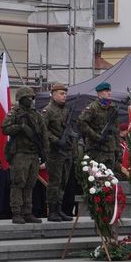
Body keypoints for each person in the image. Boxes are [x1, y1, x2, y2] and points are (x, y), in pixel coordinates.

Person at [1, 86, 49, 224]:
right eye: (28, 98)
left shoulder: (36, 114)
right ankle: (16, 212)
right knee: (18, 183)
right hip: (20, 154)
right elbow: (4, 129)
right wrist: (20, 127)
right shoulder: (14, 113)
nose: (31, 100)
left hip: (34, 153)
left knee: (30, 184)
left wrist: (45, 152)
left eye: (32, 98)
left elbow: (44, 133)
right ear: (21, 99)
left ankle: (28, 212)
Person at [41, 83, 75, 222]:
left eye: (65, 94)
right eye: (61, 93)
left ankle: (59, 208)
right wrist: (56, 140)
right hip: (54, 152)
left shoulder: (65, 110)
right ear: (53, 94)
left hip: (66, 151)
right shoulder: (47, 110)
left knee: (63, 182)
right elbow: (43, 130)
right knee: (54, 182)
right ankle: (52, 210)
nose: (64, 96)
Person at [78, 82, 121, 172]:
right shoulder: (92, 107)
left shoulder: (113, 108)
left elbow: (116, 129)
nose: (109, 93)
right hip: (96, 149)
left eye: (109, 90)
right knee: (96, 178)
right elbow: (81, 122)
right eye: (106, 91)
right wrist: (95, 136)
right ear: (99, 93)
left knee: (110, 179)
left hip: (110, 149)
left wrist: (118, 148)